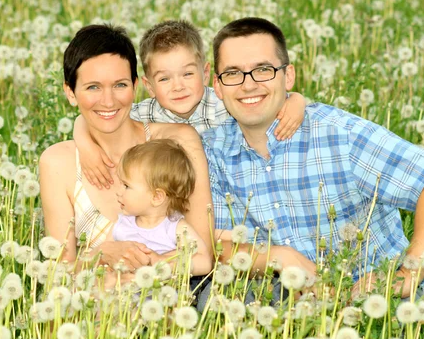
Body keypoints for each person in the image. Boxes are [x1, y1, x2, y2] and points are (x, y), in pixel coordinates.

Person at [201, 17, 424, 298]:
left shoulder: (338, 134)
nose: (248, 84)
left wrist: (409, 274)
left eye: (263, 70)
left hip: (374, 304)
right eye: (232, 74)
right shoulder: (210, 152)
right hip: (287, 309)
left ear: (288, 76)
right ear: (217, 86)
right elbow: (215, 245)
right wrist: (279, 256)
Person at [39, 24, 213, 273]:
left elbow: (202, 250)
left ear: (135, 85)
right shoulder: (57, 163)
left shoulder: (178, 141)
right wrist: (99, 254)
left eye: (120, 85)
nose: (108, 101)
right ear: (70, 92)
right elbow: (59, 271)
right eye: (93, 87)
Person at [73, 20, 308, 189]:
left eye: (187, 74)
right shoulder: (144, 113)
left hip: (224, 193)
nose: (178, 87)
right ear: (149, 85)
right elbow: (93, 117)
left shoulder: (224, 102)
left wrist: (296, 100)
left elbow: (266, 102)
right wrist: (86, 146)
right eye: (164, 79)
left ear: (206, 73)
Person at [108, 139, 212, 275]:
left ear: (157, 197)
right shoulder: (122, 225)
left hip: (162, 295)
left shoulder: (175, 227)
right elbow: (105, 257)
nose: (118, 191)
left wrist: (163, 263)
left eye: (126, 186)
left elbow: (204, 261)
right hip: (123, 294)